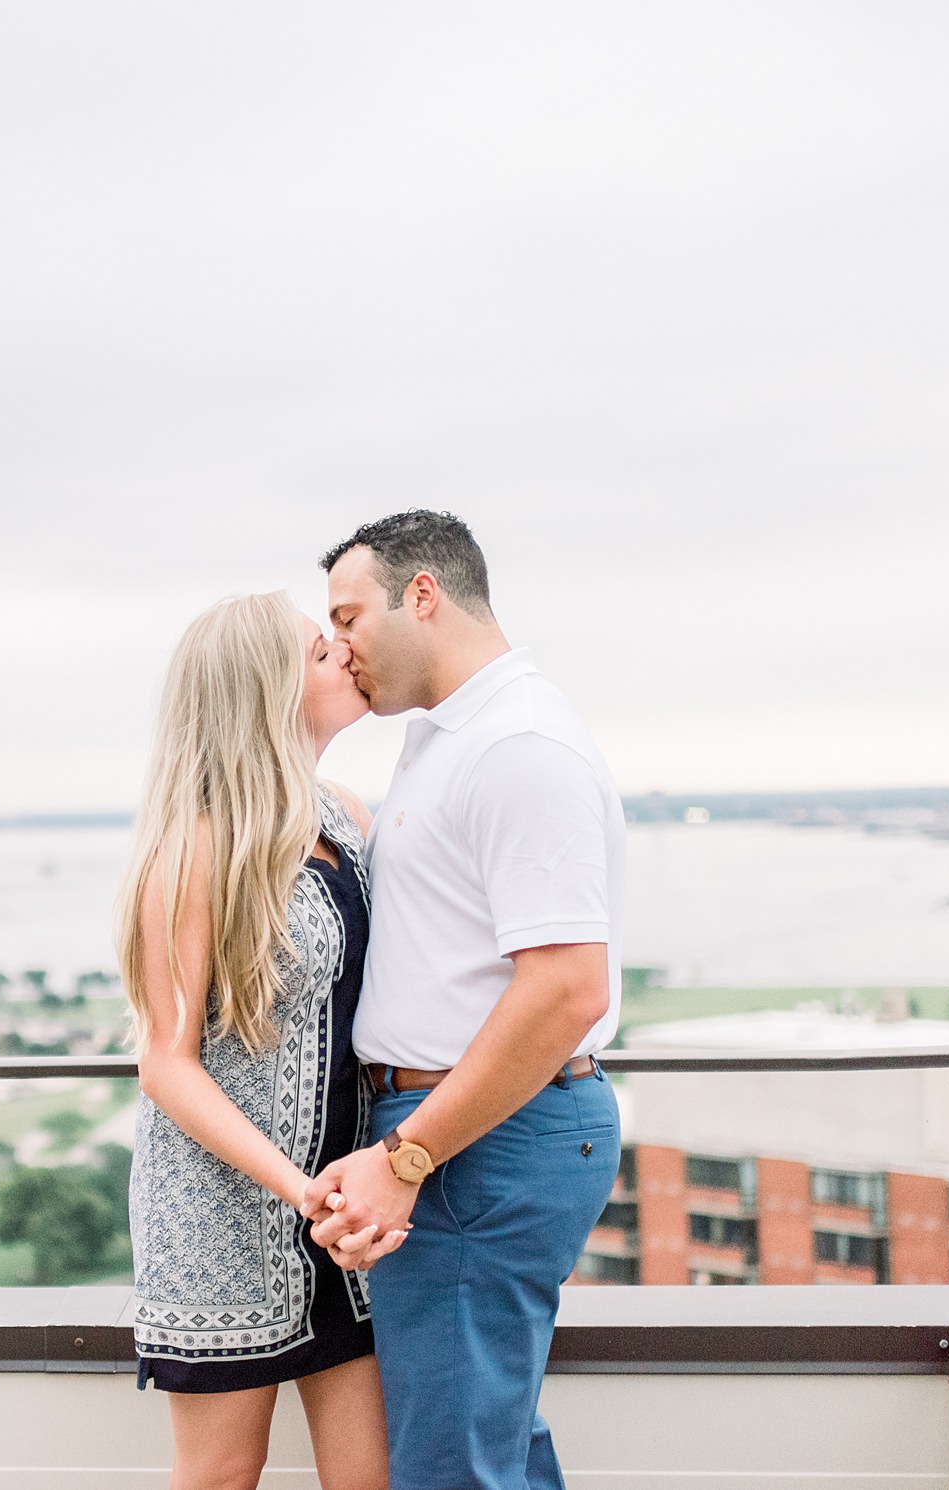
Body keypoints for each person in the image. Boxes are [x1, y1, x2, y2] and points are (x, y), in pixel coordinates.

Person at [303, 510, 626, 1490]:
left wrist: (410, 1156)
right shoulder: (447, 737)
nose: (340, 645)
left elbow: (568, 988)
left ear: (425, 596)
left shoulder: (517, 744)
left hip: (472, 1144)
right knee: (488, 1449)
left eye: (349, 617)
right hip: (464, 1137)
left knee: (451, 1469)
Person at [119, 591, 405, 1490]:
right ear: (269, 691)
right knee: (220, 1481)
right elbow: (165, 1063)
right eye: (323, 652)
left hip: (342, 1224)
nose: (346, 656)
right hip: (219, 1221)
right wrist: (302, 1192)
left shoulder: (345, 816)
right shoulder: (196, 846)